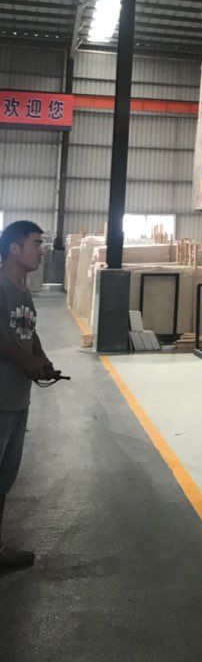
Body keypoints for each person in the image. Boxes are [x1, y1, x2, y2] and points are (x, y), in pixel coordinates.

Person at [0, 220, 59, 569]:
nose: (42, 251)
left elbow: (28, 332)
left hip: (17, 400)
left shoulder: (23, 291)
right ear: (14, 248)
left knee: (3, 480)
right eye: (36, 243)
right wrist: (25, 360)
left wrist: (42, 359)